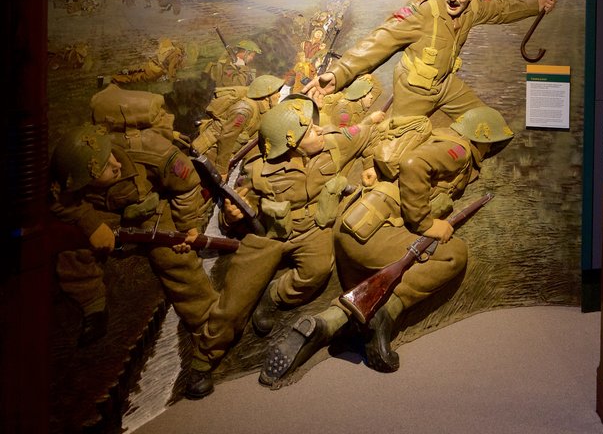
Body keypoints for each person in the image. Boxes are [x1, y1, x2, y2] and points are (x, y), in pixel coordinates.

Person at [258, 105, 514, 384]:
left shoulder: (438, 137)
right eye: (491, 145)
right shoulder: (459, 150)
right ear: (483, 139)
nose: (489, 152)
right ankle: (384, 313)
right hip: (374, 233)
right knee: (453, 254)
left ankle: (328, 322)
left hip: (358, 225)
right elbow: (414, 165)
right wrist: (426, 224)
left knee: (368, 297)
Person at [184, 95, 385, 399]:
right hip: (270, 236)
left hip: (313, 229)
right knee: (235, 300)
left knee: (316, 272)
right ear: (292, 142)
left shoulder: (332, 145)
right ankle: (203, 360)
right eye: (311, 130)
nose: (320, 131)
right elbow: (237, 210)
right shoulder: (258, 171)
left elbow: (362, 133)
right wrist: (230, 214)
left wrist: (372, 137)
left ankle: (274, 296)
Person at [304, 0, 556, 119]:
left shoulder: (474, 7)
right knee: (396, 157)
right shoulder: (420, 11)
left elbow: (502, 9)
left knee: (487, 125)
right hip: (414, 90)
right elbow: (378, 42)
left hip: (445, 84)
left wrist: (536, 4)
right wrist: (338, 74)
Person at [48, 123, 218, 347]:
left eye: (111, 156)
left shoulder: (151, 152)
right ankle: (93, 307)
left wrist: (187, 227)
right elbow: (60, 203)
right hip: (106, 213)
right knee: (72, 250)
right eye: (105, 168)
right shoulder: (73, 172)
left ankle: (208, 322)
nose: (116, 164)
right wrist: (91, 225)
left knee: (173, 257)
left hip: (151, 208)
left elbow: (186, 186)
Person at [189, 74, 285, 179]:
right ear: (266, 96)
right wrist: (222, 171)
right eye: (276, 92)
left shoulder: (262, 109)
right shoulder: (244, 111)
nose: (279, 95)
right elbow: (227, 138)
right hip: (211, 154)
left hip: (226, 156)